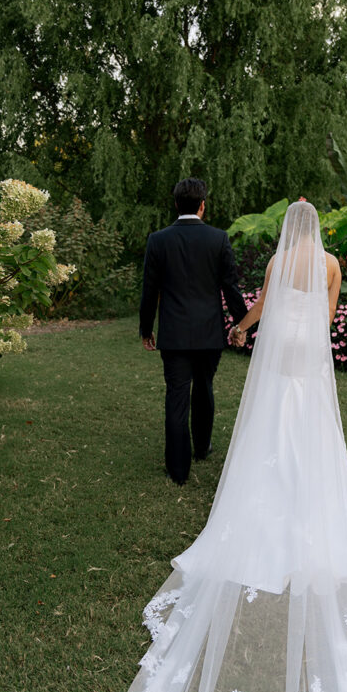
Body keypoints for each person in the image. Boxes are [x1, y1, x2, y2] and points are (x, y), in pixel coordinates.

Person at [97, 201, 347, 692]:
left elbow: (259, 302)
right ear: (317, 232)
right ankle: (301, 487)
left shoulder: (279, 259)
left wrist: (245, 328)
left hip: (277, 348)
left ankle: (268, 483)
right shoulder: (328, 262)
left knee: (271, 421)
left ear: (288, 230)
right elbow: (328, 312)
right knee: (307, 420)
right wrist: (314, 338)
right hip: (307, 351)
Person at [138, 177, 248, 485]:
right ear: (202, 205)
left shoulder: (158, 240)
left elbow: (150, 291)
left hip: (173, 334)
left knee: (176, 397)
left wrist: (146, 329)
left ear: (176, 205)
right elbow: (230, 288)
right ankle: (202, 447)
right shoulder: (218, 238)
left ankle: (178, 469)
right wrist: (242, 324)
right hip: (209, 333)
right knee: (204, 388)